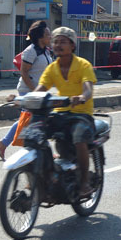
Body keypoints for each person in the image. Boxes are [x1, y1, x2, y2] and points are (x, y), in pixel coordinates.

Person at [34, 26, 97, 198]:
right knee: (35, 135)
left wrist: (82, 97)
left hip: (81, 114)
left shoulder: (84, 65)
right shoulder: (52, 68)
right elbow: (40, 89)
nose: (58, 45)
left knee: (78, 138)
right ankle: (41, 175)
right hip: (60, 113)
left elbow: (88, 89)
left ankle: (84, 183)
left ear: (72, 46)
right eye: (55, 41)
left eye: (63, 42)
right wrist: (22, 98)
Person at [0, 20, 52, 160]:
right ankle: (29, 148)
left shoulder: (46, 51)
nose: (50, 37)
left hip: (40, 91)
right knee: (31, 118)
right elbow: (24, 73)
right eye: (47, 34)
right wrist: (35, 91)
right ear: (40, 37)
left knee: (28, 118)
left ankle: (4, 143)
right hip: (28, 90)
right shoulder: (31, 51)